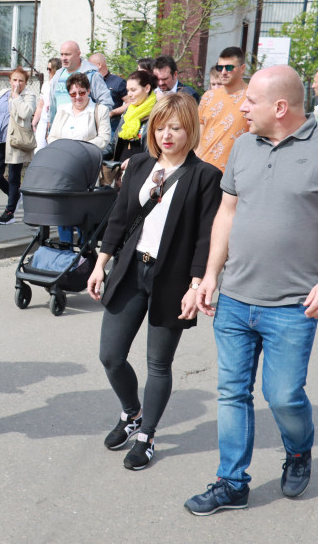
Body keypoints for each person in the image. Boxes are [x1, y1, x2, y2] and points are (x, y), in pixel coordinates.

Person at [185, 65, 318, 515]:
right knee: (232, 392)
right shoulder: (243, 146)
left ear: (280, 107)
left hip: (292, 305)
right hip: (235, 299)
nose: (241, 107)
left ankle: (299, 450)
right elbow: (226, 213)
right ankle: (232, 482)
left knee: (284, 396)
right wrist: (210, 275)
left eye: (250, 101)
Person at [87, 93, 222, 470]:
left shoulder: (205, 176)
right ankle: (131, 413)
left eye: (176, 128)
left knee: (158, 364)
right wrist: (101, 264)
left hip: (173, 279)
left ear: (190, 130)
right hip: (131, 270)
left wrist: (197, 285)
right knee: (110, 356)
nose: (167, 135)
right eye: (160, 127)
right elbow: (120, 219)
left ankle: (146, 435)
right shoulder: (141, 165)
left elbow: (205, 237)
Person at [0, 66, 36, 225]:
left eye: (21, 80)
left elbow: (26, 113)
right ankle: (16, 196)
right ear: (10, 80)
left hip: (15, 140)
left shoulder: (29, 95)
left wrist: (16, 97)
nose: (17, 83)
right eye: (14, 80)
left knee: (14, 176)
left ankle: (10, 211)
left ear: (26, 82)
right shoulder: (2, 93)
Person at [196, 46, 249, 172]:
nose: (223, 72)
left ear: (242, 68)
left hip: (235, 173)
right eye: (220, 68)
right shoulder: (208, 96)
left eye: (229, 67)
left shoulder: (252, 97)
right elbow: (198, 137)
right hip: (203, 170)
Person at [46, 40, 114, 136]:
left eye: (67, 54)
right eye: (61, 55)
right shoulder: (58, 75)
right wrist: (50, 125)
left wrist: (93, 125)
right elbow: (53, 104)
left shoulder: (91, 75)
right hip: (60, 131)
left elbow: (106, 103)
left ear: (78, 54)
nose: (63, 58)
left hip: (83, 133)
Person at [46, 72, 111, 151]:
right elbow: (52, 137)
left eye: (81, 93)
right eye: (73, 94)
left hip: (87, 157)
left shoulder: (101, 110)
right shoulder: (62, 110)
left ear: (88, 91)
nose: (77, 97)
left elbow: (104, 139)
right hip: (62, 156)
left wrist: (79, 148)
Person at [113, 70, 157, 161]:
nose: (129, 94)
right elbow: (114, 141)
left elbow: (157, 151)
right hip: (121, 167)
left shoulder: (158, 113)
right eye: (128, 90)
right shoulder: (128, 111)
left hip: (143, 168)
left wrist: (134, 161)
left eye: (133, 90)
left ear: (147, 88)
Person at [89, 52, 128, 135]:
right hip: (93, 127)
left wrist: (113, 112)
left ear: (99, 65)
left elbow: (130, 103)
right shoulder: (90, 82)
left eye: (90, 65)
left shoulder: (118, 82)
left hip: (111, 127)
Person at [33, 56, 62, 150]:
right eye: (47, 69)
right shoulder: (46, 84)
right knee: (39, 148)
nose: (48, 71)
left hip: (55, 121)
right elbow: (41, 105)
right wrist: (34, 122)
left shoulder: (61, 85)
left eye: (50, 69)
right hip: (43, 120)